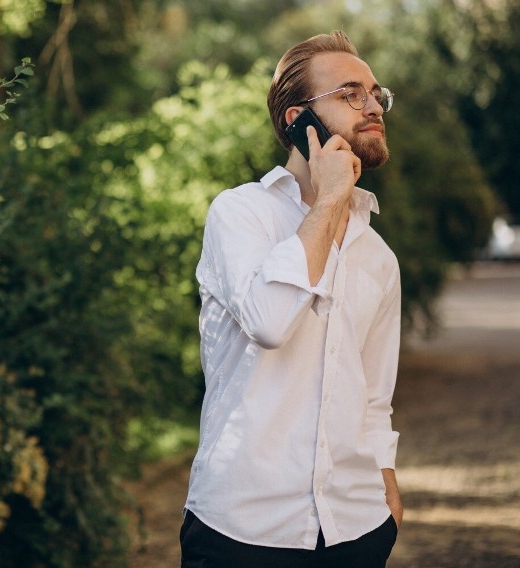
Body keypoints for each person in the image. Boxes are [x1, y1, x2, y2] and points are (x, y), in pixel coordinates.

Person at [180, 31, 403, 567]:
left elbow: (373, 396)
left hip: (357, 527)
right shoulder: (239, 215)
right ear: (296, 120)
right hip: (243, 530)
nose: (372, 106)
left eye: (375, 93)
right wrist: (330, 198)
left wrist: (387, 491)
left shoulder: (379, 256)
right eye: (350, 94)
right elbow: (271, 322)